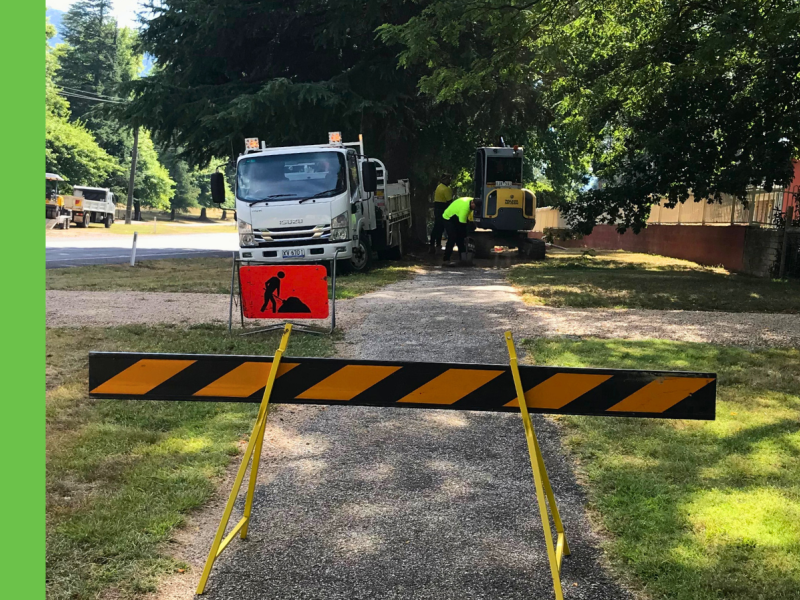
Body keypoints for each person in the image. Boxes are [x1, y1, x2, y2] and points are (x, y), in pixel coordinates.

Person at [442, 197, 479, 265]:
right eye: (475, 207)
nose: (475, 208)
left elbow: (469, 220)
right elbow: (462, 225)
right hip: (448, 218)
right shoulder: (464, 209)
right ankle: (446, 259)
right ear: (472, 203)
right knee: (452, 237)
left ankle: (463, 259)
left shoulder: (472, 202)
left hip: (457, 216)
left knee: (460, 239)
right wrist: (465, 235)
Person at [429, 173, 453, 254]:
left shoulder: (438, 187)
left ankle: (433, 245)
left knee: (437, 227)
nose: (450, 180)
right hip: (443, 210)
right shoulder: (446, 189)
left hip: (437, 209)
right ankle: (439, 246)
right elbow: (450, 201)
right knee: (444, 228)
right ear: (444, 180)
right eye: (448, 179)